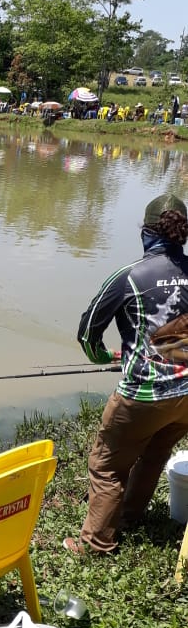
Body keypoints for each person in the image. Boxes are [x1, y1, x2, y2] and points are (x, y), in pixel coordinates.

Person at [64, 193, 188, 555]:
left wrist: (103, 357)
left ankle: (96, 543)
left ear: (146, 232)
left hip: (143, 395)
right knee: (154, 453)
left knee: (106, 465)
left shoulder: (128, 276)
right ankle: (130, 515)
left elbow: (88, 334)